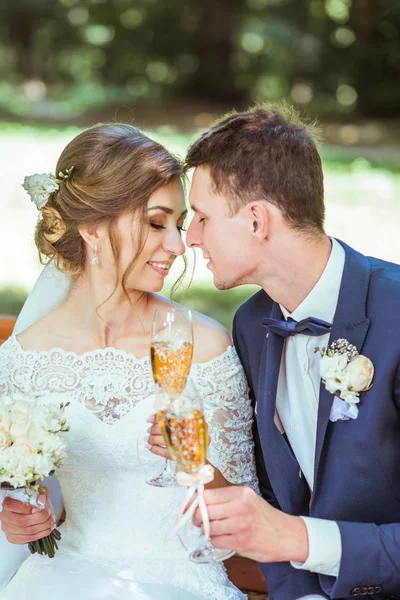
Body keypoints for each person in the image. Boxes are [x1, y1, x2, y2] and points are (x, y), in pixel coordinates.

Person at [0, 123, 258, 600]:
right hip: (61, 579)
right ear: (93, 227)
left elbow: (244, 517)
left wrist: (196, 464)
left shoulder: (204, 345)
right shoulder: (23, 358)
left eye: (179, 225)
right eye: (157, 223)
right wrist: (20, 518)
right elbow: (22, 496)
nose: (179, 247)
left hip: (182, 583)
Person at [183, 104, 400, 600]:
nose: (190, 238)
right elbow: (271, 500)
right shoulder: (253, 323)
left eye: (201, 217)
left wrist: (296, 538)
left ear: (257, 220)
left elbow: (282, 530)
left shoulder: (397, 314)